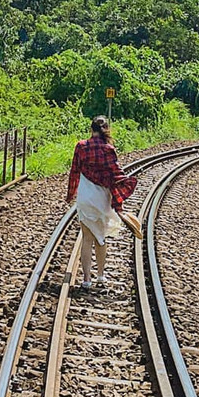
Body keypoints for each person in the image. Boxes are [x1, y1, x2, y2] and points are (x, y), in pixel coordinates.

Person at [66, 115, 137, 287]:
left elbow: (74, 172)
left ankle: (86, 280)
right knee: (101, 238)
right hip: (101, 198)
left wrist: (71, 195)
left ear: (91, 130)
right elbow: (117, 175)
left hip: (85, 197)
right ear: (106, 130)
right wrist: (120, 199)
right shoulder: (108, 149)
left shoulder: (81, 147)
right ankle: (100, 275)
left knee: (87, 238)